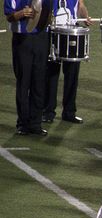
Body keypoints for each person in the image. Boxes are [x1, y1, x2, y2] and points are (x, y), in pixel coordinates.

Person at [5, 0, 50, 136]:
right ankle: (23, 124)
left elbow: (48, 12)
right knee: (24, 83)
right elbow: (9, 16)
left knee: (39, 82)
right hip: (22, 39)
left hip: (42, 38)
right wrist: (22, 13)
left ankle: (36, 124)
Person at [43, 0, 92, 124]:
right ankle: (48, 112)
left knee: (72, 75)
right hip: (53, 32)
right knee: (51, 75)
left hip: (71, 32)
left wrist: (85, 16)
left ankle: (69, 112)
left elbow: (80, 5)